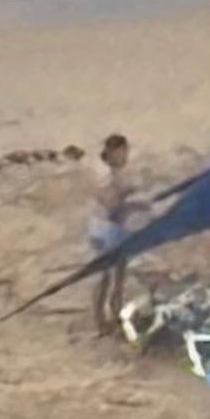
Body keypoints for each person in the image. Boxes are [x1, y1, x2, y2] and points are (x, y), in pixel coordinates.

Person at [85, 135, 134, 335]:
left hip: (116, 228)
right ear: (112, 153)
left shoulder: (115, 172)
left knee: (120, 274)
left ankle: (115, 314)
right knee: (103, 277)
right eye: (122, 153)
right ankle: (99, 319)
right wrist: (129, 201)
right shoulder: (103, 174)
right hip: (103, 228)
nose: (125, 158)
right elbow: (109, 202)